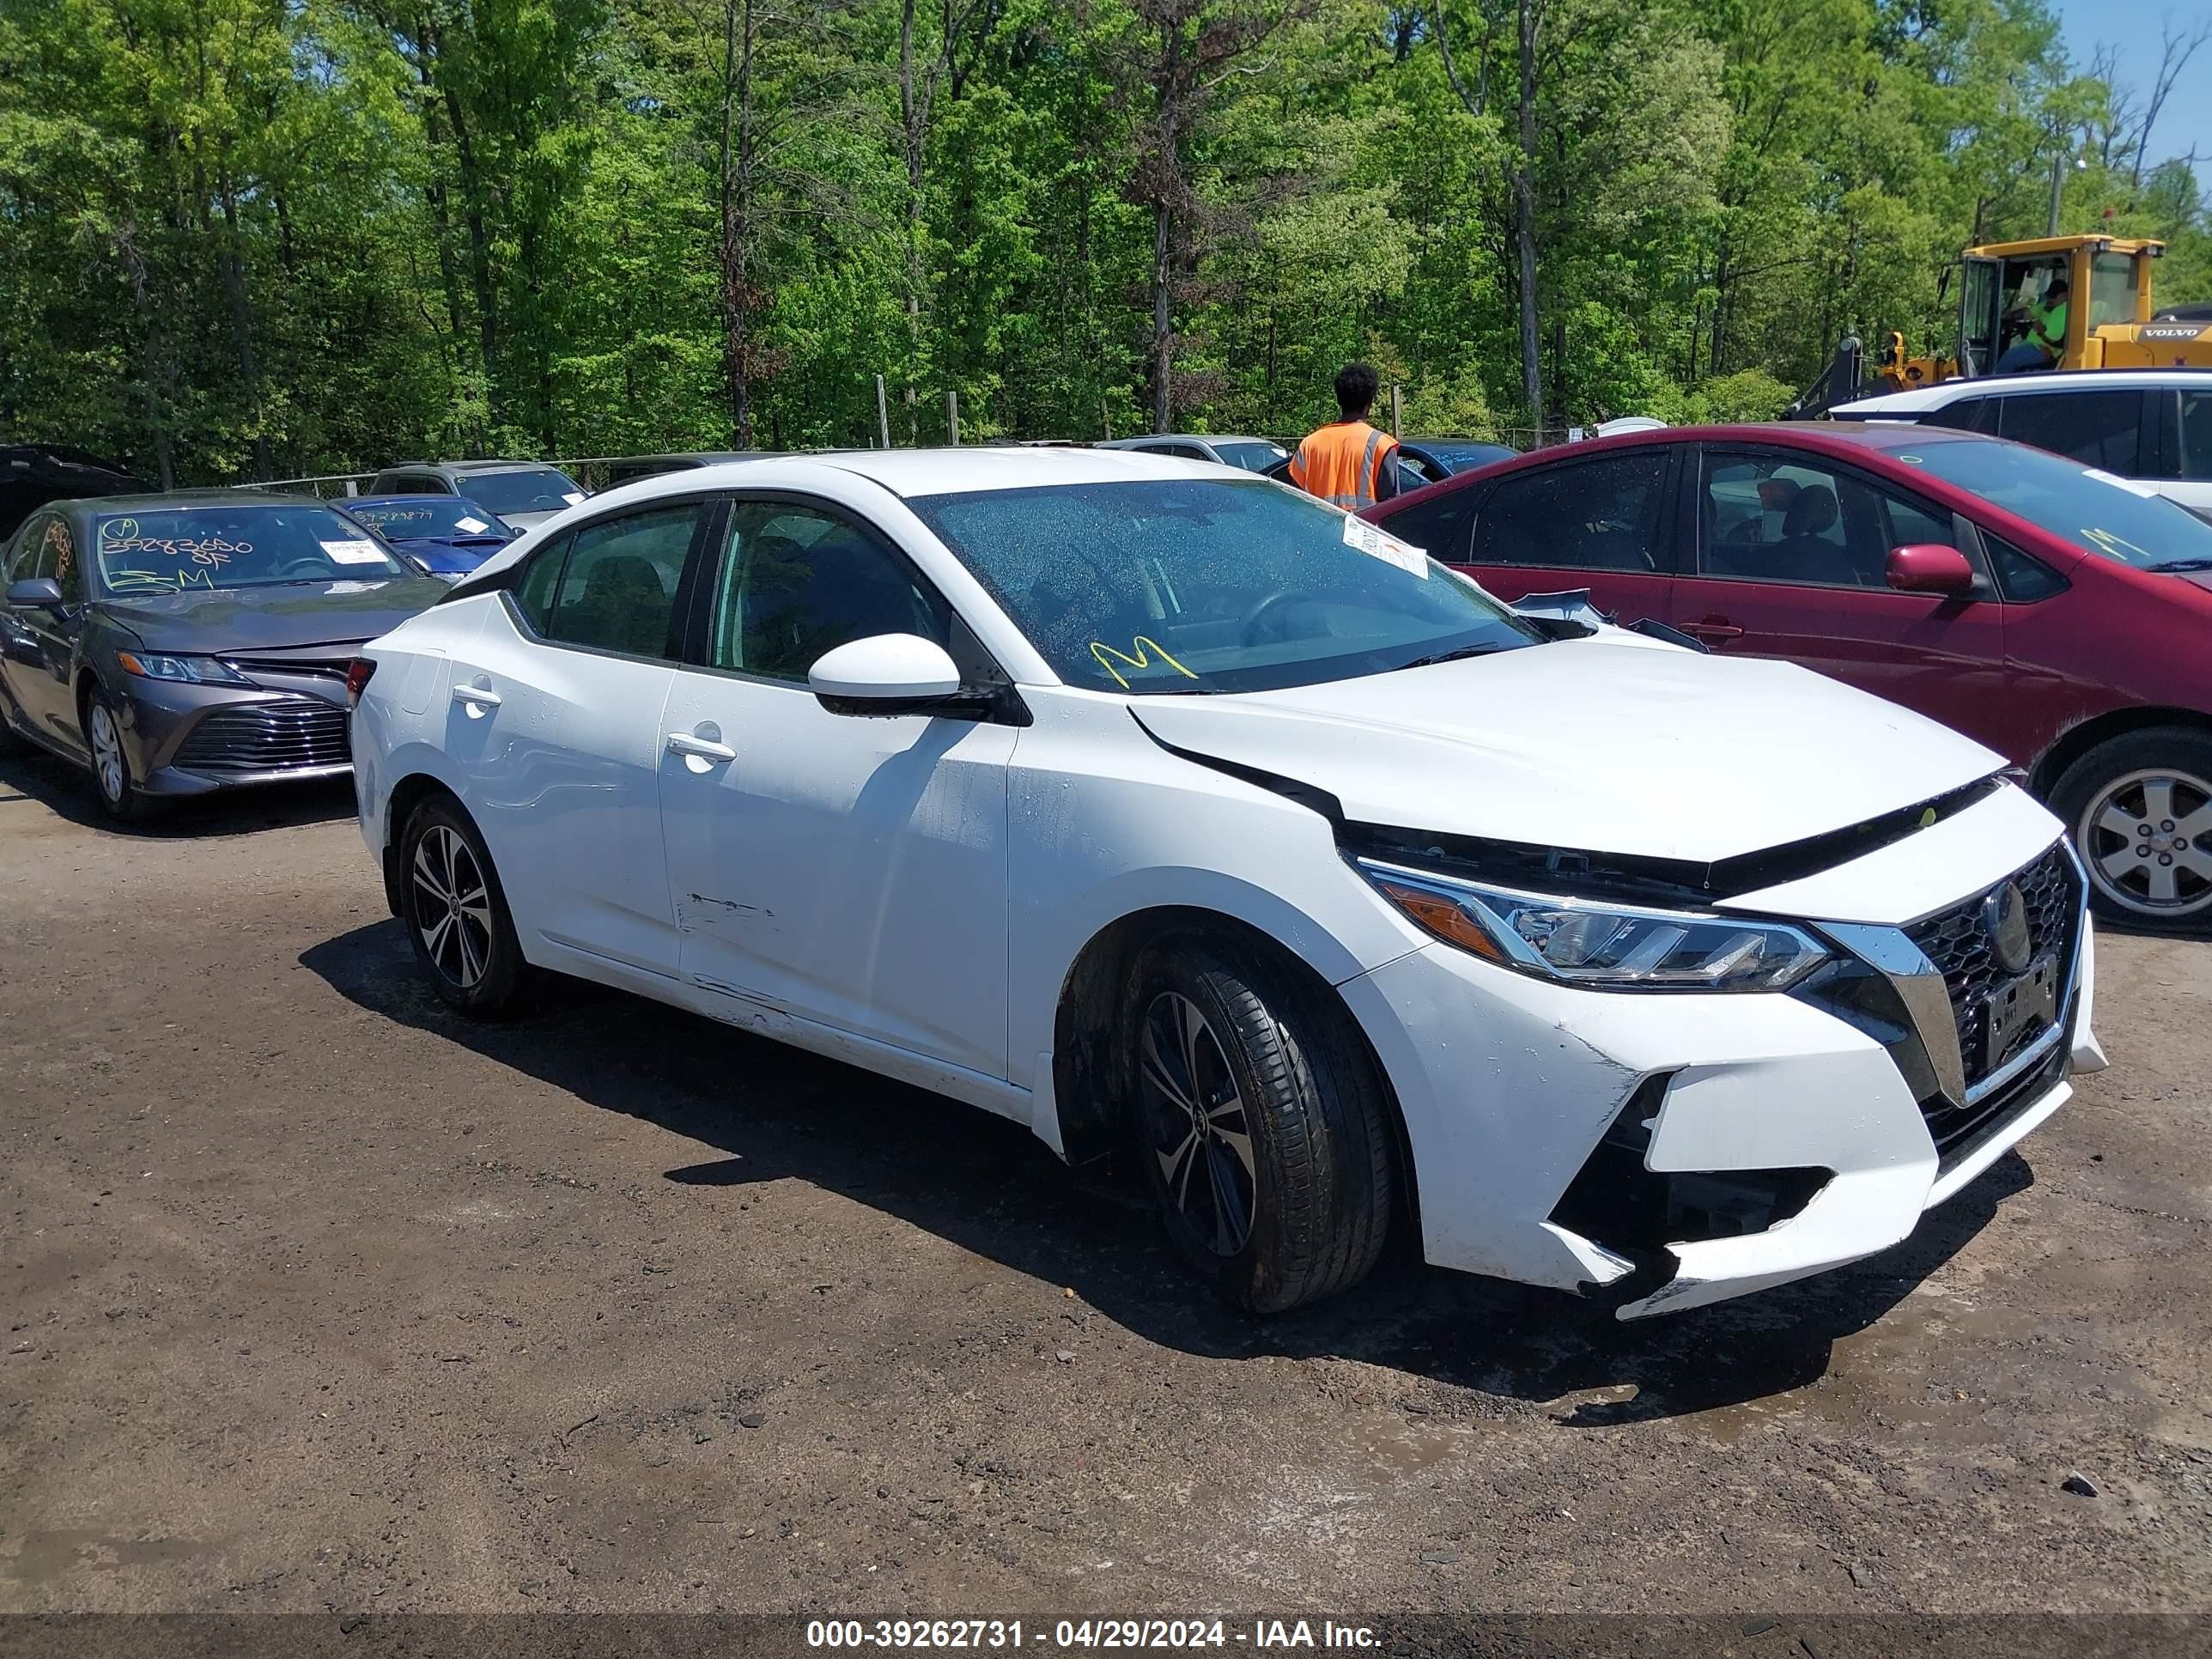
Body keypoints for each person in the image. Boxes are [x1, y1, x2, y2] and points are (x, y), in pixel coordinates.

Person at [1289, 362, 1401, 508]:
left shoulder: (1310, 444)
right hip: (1364, 530)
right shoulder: (1381, 445)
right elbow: (1392, 509)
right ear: (1370, 402)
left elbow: (1294, 502)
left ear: (1339, 399)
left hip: (1318, 530)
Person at [1996, 274, 2069, 374]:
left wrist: (2040, 331)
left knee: (2009, 358)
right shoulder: (2048, 306)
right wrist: (2009, 316)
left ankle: (1996, 385)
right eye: (2049, 296)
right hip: (2032, 344)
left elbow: (2052, 339)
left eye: (2053, 297)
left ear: (2064, 295)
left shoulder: (2063, 310)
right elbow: (2027, 313)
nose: (2049, 299)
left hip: (2043, 350)